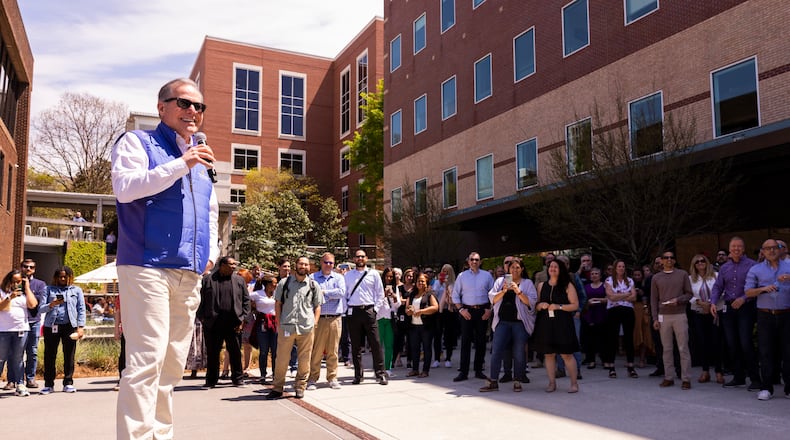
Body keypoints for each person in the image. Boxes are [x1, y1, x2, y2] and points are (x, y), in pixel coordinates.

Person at [111, 77, 219, 439]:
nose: (193, 111)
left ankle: (160, 435)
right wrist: (181, 164)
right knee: (146, 360)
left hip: (189, 272)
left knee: (172, 366)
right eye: (184, 103)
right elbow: (125, 188)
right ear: (162, 107)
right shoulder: (137, 142)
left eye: (199, 106)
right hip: (147, 265)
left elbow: (210, 211)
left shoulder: (200, 157)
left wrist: (211, 254)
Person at [266, 257, 324, 399]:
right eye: (300, 264)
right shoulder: (284, 283)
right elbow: (278, 304)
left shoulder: (313, 285)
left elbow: (317, 306)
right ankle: (278, 388)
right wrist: (279, 323)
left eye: (306, 264)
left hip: (306, 327)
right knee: (281, 359)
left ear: (309, 267)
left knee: (304, 360)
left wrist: (315, 322)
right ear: (296, 265)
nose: (303, 266)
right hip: (287, 326)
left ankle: (300, 387)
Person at [709, 237, 761, 390]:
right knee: (732, 344)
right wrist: (713, 302)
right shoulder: (725, 267)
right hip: (728, 307)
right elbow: (718, 286)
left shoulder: (752, 265)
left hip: (746, 307)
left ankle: (755, 379)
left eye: (739, 246)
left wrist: (743, 298)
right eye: (733, 246)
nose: (736, 249)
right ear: (730, 249)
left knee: (746, 343)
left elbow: (757, 287)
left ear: (743, 249)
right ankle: (738, 377)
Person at [480, 259, 537, 392]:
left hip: (520, 323)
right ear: (508, 269)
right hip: (502, 322)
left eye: (517, 267)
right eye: (512, 267)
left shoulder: (527, 283)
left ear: (522, 269)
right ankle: (493, 381)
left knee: (519, 352)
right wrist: (503, 291)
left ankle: (517, 380)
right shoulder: (500, 282)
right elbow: (492, 299)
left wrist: (518, 291)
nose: (515, 270)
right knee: (496, 350)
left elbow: (531, 303)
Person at [744, 239, 790, 400]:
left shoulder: (789, 266)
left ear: (780, 249)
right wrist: (763, 289)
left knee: (788, 352)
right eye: (768, 248)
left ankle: (788, 388)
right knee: (765, 352)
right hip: (765, 315)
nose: (771, 251)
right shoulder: (755, 269)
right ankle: (766, 388)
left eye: (775, 247)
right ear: (762, 252)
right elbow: (748, 292)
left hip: (786, 314)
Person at [197, 256, 250, 389]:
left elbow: (246, 301)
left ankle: (238, 379)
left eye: (234, 264)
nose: (234, 267)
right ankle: (211, 381)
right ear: (222, 265)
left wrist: (243, 319)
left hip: (234, 323)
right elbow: (199, 299)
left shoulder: (239, 280)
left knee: (235, 352)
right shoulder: (208, 280)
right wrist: (202, 318)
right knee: (213, 353)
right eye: (231, 264)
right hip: (213, 323)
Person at [532, 260, 580, 393]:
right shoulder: (541, 285)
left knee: (567, 354)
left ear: (561, 269)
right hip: (546, 323)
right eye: (551, 266)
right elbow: (536, 305)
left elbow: (575, 305)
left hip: (563, 323)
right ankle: (552, 383)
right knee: (549, 354)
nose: (552, 268)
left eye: (556, 267)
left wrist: (559, 306)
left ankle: (574, 383)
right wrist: (540, 305)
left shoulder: (567, 285)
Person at [38, 266, 86, 395]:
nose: (63, 279)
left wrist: (80, 327)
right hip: (51, 325)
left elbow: (81, 309)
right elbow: (40, 309)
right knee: (49, 355)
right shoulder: (48, 289)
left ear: (70, 277)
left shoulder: (76, 290)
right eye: (60, 276)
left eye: (65, 276)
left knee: (69, 355)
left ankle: (68, 382)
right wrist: (52, 304)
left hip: (69, 325)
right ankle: (48, 384)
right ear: (56, 277)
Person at [344, 250, 388, 385]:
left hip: (369, 310)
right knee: (356, 345)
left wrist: (375, 309)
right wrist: (346, 309)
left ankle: (380, 374)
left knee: (375, 343)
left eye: (362, 256)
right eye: (357, 257)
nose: (360, 258)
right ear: (354, 259)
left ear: (366, 258)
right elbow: (344, 294)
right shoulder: (348, 275)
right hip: (353, 311)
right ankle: (358, 375)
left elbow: (380, 293)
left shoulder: (373, 274)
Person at [651, 251, 693, 390]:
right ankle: (668, 377)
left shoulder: (682, 274)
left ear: (674, 260)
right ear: (661, 261)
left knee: (683, 347)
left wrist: (679, 300)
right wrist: (655, 318)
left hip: (679, 314)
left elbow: (689, 293)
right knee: (667, 348)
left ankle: (686, 378)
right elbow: (653, 300)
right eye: (666, 258)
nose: (669, 259)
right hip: (663, 316)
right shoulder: (656, 277)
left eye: (671, 257)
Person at [451, 252, 494, 382]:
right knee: (465, 342)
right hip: (467, 312)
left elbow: (493, 294)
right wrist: (461, 309)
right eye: (472, 259)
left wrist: (489, 310)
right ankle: (463, 372)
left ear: (480, 261)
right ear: (468, 261)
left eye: (476, 259)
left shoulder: (487, 276)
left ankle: (478, 370)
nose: (474, 262)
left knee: (481, 342)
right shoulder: (462, 276)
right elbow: (455, 295)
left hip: (482, 311)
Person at [307, 253, 347, 390]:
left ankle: (332, 377)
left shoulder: (339, 277)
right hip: (319, 319)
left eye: (331, 263)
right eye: (326, 262)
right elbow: (312, 295)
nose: (328, 265)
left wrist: (324, 293)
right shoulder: (312, 278)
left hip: (335, 318)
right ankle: (313, 378)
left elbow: (341, 292)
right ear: (321, 262)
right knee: (316, 351)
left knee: (333, 350)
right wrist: (330, 294)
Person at [0, 270, 38, 397]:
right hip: (4, 330)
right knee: (1, 357)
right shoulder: (2, 292)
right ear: (8, 281)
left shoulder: (24, 293)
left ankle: (20, 384)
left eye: (19, 281)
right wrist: (10, 297)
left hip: (21, 329)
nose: (16, 284)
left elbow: (33, 305)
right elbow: (1, 307)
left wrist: (27, 288)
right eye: (14, 281)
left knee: (18, 358)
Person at [688, 254, 723, 385]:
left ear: (707, 262)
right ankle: (705, 371)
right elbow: (688, 294)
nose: (700, 263)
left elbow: (723, 291)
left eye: (703, 261)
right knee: (702, 343)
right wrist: (700, 302)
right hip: (699, 313)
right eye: (697, 262)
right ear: (694, 265)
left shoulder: (716, 276)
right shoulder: (690, 279)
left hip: (715, 312)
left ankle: (719, 371)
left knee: (717, 342)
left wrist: (711, 303)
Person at [603, 260, 637, 379]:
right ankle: (611, 367)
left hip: (628, 310)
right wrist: (626, 294)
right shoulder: (609, 280)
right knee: (612, 338)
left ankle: (631, 366)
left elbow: (634, 297)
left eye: (623, 266)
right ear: (615, 268)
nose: (621, 268)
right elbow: (611, 297)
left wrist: (618, 296)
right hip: (613, 310)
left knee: (629, 338)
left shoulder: (630, 281)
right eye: (619, 266)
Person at [19, 259, 47, 389]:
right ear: (21, 268)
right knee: (16, 353)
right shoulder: (14, 282)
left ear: (34, 269)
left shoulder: (40, 284)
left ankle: (30, 379)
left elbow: (36, 304)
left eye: (31, 267)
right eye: (25, 266)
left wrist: (27, 287)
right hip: (18, 323)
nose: (28, 269)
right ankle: (14, 380)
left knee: (32, 352)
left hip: (33, 322)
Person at [405, 273, 439, 378]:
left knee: (426, 348)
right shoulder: (412, 294)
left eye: (423, 281)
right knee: (414, 348)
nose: (420, 283)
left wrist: (422, 311)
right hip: (413, 326)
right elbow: (407, 308)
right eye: (419, 281)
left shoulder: (429, 294)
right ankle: (415, 369)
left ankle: (425, 370)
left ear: (426, 282)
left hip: (426, 326)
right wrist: (409, 311)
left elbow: (435, 307)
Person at [250, 276, 277, 383]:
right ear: (268, 284)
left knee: (275, 350)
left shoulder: (277, 294)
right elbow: (245, 297)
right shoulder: (257, 294)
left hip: (275, 323)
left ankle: (275, 374)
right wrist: (252, 307)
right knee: (264, 350)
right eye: (274, 283)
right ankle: (263, 374)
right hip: (263, 323)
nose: (276, 285)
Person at [581, 268, 607, 369]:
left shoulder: (605, 286)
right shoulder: (586, 287)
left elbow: (608, 298)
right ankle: (591, 360)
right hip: (589, 314)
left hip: (602, 314)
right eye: (592, 274)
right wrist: (588, 302)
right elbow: (582, 300)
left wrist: (597, 300)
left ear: (600, 276)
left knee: (602, 338)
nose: (594, 275)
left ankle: (604, 359)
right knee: (590, 339)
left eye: (596, 273)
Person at [377, 268, 400, 377]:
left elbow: (397, 305)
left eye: (391, 277)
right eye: (387, 276)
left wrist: (394, 297)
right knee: (378, 345)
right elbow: (376, 303)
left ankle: (388, 368)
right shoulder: (378, 287)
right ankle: (378, 368)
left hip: (390, 319)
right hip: (379, 318)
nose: (389, 278)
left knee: (389, 345)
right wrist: (384, 295)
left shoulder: (395, 288)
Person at [437, 264, 458, 368]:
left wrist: (447, 286)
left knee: (448, 335)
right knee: (437, 334)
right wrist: (441, 283)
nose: (445, 273)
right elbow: (434, 294)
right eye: (443, 271)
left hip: (450, 310)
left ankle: (448, 358)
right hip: (439, 310)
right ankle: (437, 358)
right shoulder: (437, 283)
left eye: (447, 271)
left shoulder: (454, 284)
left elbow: (455, 297)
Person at [394, 268, 415, 369]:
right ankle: (396, 359)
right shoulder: (400, 287)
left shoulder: (415, 287)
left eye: (411, 276)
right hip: (401, 314)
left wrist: (405, 301)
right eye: (408, 276)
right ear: (405, 277)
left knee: (410, 340)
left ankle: (409, 361)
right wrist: (408, 301)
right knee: (399, 339)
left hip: (411, 315)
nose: (410, 278)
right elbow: (399, 300)